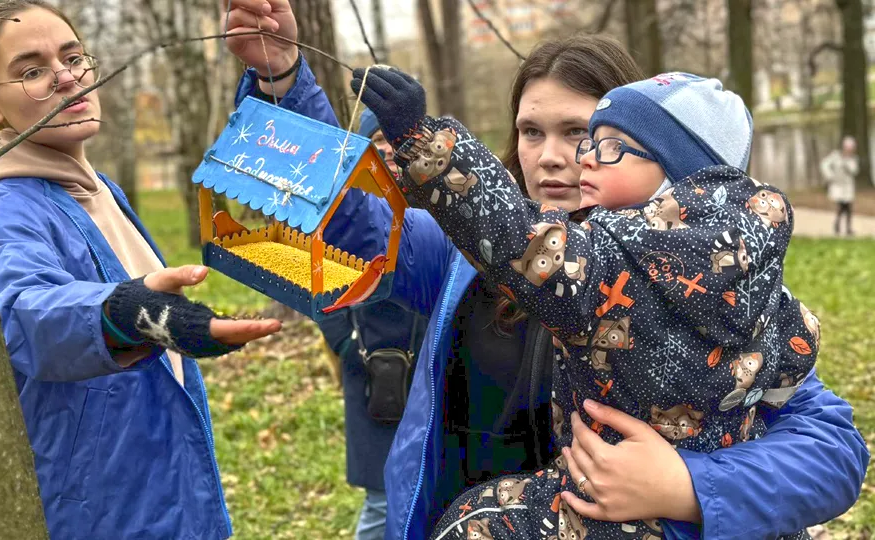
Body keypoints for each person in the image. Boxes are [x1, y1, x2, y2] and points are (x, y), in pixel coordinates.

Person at [220, 2, 868, 539]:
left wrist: (686, 487)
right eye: (532, 132)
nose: (557, 157)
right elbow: (346, 225)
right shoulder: (463, 247)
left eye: (583, 134)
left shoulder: (710, 283)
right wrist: (282, 82)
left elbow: (833, 451)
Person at [353, 66, 820, 538]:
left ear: (677, 176)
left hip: (598, 514)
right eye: (533, 132)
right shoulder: (763, 293)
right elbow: (798, 353)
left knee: (471, 523)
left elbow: (511, 232)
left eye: (607, 145)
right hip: (727, 523)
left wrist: (423, 141)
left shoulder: (603, 267)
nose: (583, 159)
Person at [0, 2, 281, 538]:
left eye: (72, 57)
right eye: (33, 70)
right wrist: (120, 313)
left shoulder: (92, 187)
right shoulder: (6, 206)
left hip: (163, 481)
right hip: (105, 507)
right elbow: (23, 311)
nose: (66, 78)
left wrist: (275, 75)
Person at [316, 107, 428, 540]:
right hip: (371, 375)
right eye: (374, 139)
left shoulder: (437, 205)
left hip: (429, 369)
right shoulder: (345, 214)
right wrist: (348, 345)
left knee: (430, 483)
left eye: (392, 138)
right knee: (382, 498)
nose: (385, 148)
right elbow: (322, 287)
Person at [821, 135, 859, 236]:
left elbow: (854, 171)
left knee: (847, 207)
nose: (849, 150)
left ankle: (843, 227)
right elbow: (824, 164)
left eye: (851, 148)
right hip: (837, 186)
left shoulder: (853, 159)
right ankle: (843, 227)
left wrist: (846, 163)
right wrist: (830, 176)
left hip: (848, 187)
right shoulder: (835, 155)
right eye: (848, 148)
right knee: (843, 206)